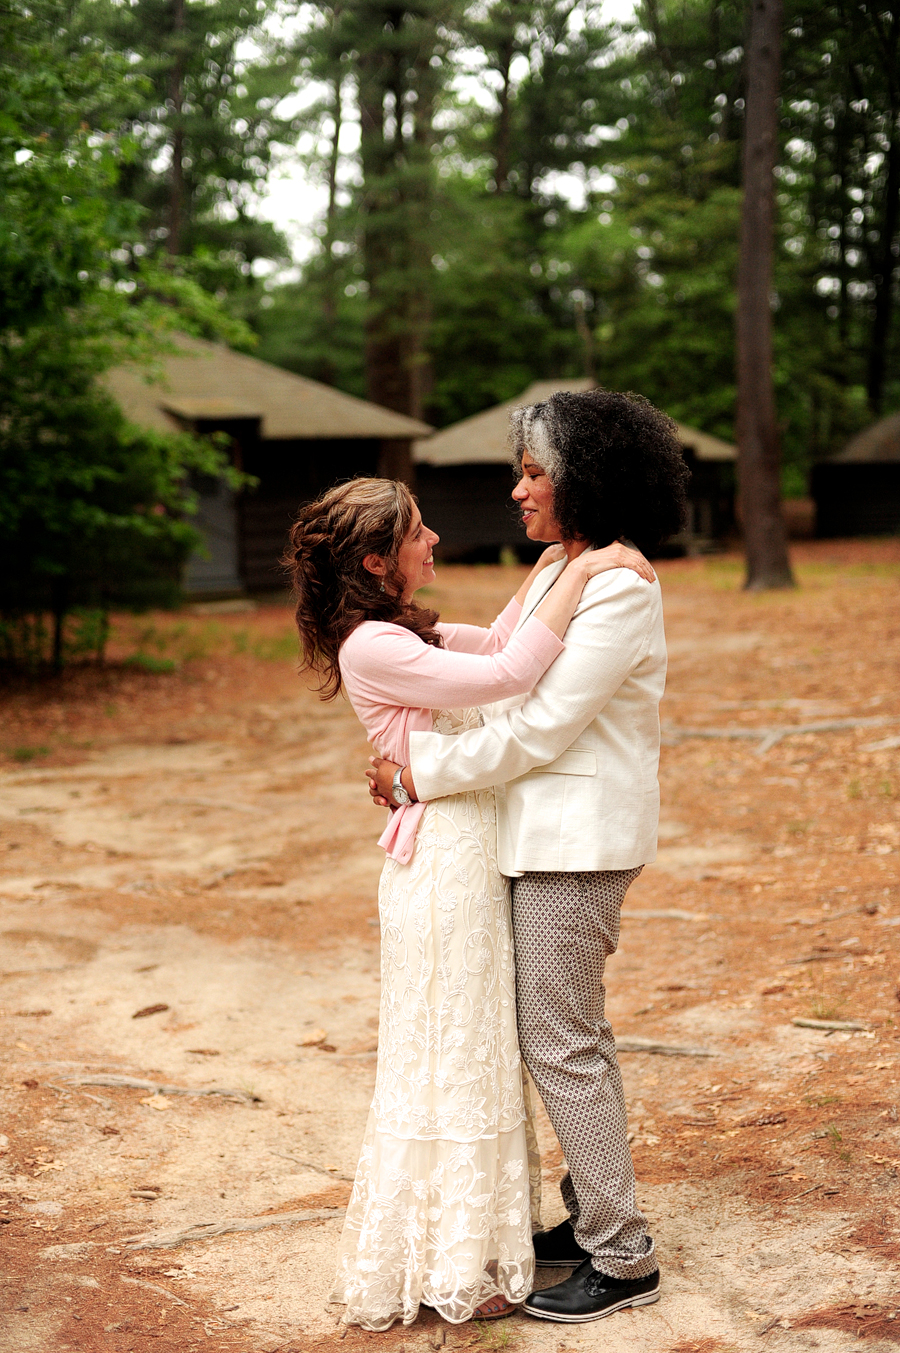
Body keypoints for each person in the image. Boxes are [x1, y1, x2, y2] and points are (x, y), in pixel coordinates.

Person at [284, 476, 654, 1332]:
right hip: (445, 860)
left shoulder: (405, 628)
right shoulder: (373, 644)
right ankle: (454, 1254)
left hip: (474, 847)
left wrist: (564, 557)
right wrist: (586, 565)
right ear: (377, 562)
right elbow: (511, 670)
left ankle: (486, 1237)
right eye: (418, 531)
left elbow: (499, 636)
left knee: (484, 1044)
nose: (436, 537)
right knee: (451, 1049)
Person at [366, 388, 690, 1325]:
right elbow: (504, 650)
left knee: (560, 1038)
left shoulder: (620, 582)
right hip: (538, 833)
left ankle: (623, 1255)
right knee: (560, 1029)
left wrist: (421, 767)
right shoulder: (563, 561)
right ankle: (594, 1210)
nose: (518, 489)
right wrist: (405, 639)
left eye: (536, 472)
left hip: (577, 841)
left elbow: (542, 725)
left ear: (585, 478)